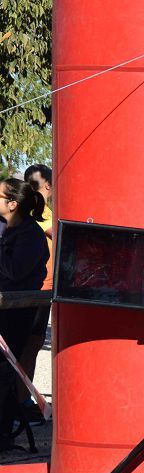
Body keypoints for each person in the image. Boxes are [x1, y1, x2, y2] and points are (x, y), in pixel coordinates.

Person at [0, 179, 49, 438]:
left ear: (12, 204)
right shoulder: (4, 227)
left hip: (17, 312)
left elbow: (15, 271)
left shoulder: (30, 235)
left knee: (5, 371)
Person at [18, 165, 54, 415]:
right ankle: (20, 403)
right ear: (49, 185)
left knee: (27, 346)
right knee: (28, 348)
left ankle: (21, 401)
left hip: (39, 289)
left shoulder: (28, 208)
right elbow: (62, 233)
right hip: (38, 290)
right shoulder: (39, 210)